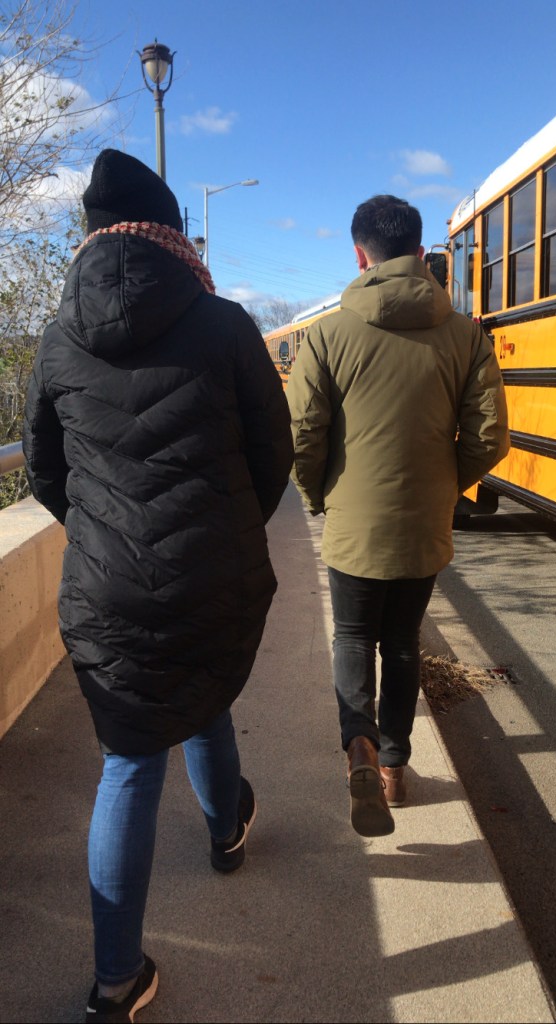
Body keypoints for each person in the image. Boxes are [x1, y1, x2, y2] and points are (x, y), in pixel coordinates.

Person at [23, 149, 293, 1023]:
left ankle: (115, 983)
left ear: (93, 237)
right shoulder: (225, 325)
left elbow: (43, 473)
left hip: (107, 591)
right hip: (211, 570)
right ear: (172, 235)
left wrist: (104, 538)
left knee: (130, 761)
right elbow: (273, 454)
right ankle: (226, 834)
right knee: (206, 699)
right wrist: (226, 531)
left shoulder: (56, 339)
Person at [285, 194, 509, 839]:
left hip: (354, 523)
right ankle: (393, 768)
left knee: (354, 637)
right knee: (403, 642)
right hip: (424, 524)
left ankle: (356, 744)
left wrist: (317, 497)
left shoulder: (327, 335)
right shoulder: (465, 335)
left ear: (361, 256)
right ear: (419, 252)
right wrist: (445, 485)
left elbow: (302, 435)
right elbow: (490, 436)